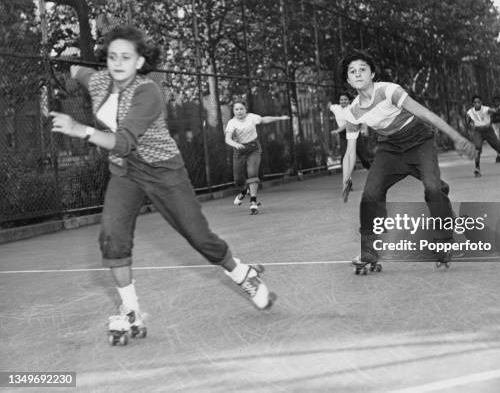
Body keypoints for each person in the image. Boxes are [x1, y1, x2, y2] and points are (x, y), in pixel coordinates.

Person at [49, 26, 276, 343]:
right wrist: (66, 60)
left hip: (162, 169)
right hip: (125, 172)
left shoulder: (148, 93)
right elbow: (80, 71)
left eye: (126, 57)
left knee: (198, 235)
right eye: (112, 56)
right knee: (112, 237)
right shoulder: (99, 80)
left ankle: (241, 273)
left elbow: (124, 141)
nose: (118, 62)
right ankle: (131, 311)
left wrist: (81, 130)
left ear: (140, 61)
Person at [339, 50, 477, 270]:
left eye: (362, 69)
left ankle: (444, 243)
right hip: (389, 149)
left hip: (419, 142)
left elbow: (424, 113)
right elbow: (350, 151)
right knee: (370, 195)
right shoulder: (352, 112)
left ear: (372, 73)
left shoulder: (389, 91)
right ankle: (368, 253)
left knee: (432, 189)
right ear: (348, 79)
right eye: (352, 71)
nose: (357, 74)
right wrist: (346, 179)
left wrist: (456, 137)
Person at [224, 101, 289, 214]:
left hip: (253, 148)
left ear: (246, 110)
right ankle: (244, 191)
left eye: (241, 109)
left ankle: (253, 202)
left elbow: (264, 119)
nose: (239, 111)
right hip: (239, 151)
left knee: (252, 173)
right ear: (233, 111)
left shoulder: (252, 117)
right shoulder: (231, 123)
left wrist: (280, 118)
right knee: (238, 179)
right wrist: (236, 144)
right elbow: (228, 139)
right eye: (236, 109)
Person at [466, 95, 500, 177]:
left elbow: (493, 110)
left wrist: (499, 109)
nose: (477, 104)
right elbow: (468, 123)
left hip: (488, 131)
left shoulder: (485, 108)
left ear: (481, 103)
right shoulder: (470, 112)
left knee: (499, 147)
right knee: (477, 148)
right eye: (475, 102)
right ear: (473, 103)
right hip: (478, 131)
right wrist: (470, 128)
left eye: (478, 102)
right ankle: (477, 168)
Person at [329, 92, 371, 171]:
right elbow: (329, 106)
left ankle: (370, 169)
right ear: (339, 101)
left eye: (345, 99)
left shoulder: (352, 109)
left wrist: (337, 131)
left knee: (363, 157)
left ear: (349, 101)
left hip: (355, 134)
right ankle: (347, 174)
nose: (343, 101)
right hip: (343, 135)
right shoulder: (335, 108)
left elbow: (347, 124)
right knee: (344, 154)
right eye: (341, 100)